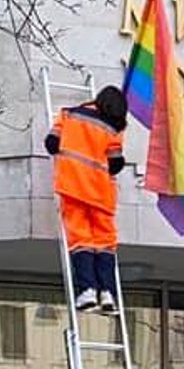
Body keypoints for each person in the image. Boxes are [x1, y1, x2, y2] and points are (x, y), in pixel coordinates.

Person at [44, 84, 127, 313]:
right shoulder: (114, 128)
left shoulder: (68, 115)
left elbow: (51, 144)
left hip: (72, 186)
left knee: (81, 239)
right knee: (104, 242)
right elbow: (116, 163)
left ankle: (87, 290)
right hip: (101, 192)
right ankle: (108, 293)